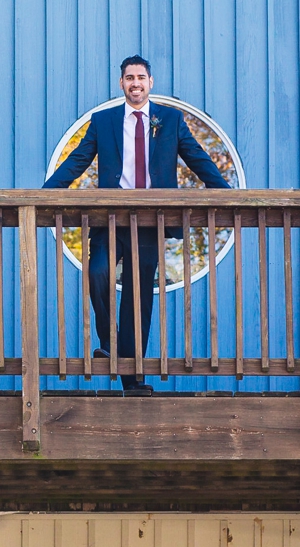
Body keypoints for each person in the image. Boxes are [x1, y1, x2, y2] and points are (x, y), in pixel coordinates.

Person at [44, 55, 229, 393]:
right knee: (97, 271)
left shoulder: (169, 119)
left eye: (141, 77)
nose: (135, 83)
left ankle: (134, 378)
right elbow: (79, 160)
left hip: (150, 220)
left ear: (150, 82)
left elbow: (197, 157)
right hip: (109, 217)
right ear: (121, 84)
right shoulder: (104, 121)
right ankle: (109, 342)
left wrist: (226, 194)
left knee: (138, 296)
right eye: (129, 78)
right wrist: (47, 194)